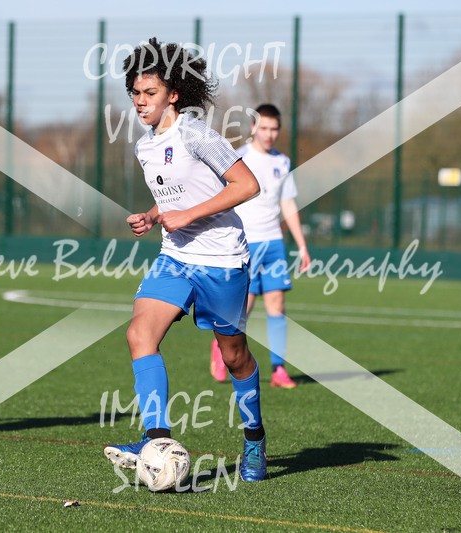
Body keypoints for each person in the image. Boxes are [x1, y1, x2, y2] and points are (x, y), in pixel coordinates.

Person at [103, 37, 268, 482]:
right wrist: (153, 215)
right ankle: (157, 438)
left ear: (173, 94)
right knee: (139, 333)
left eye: (150, 93)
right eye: (135, 93)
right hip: (175, 258)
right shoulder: (144, 146)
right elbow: (175, 195)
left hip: (222, 260)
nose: (140, 101)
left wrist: (188, 214)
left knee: (234, 357)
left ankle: (254, 437)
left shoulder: (197, 133)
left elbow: (247, 185)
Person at [210, 104, 311, 388]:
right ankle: (220, 349)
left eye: (274, 128)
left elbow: (287, 204)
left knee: (277, 305)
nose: (269, 134)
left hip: (275, 244)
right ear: (253, 128)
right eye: (264, 128)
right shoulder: (238, 157)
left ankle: (279, 370)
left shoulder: (282, 162)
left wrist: (302, 246)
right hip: (246, 242)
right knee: (245, 307)